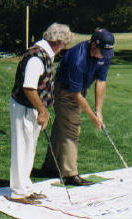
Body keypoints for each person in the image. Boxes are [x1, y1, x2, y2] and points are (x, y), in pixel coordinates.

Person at [9, 23, 73, 204]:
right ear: (58, 41)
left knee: (30, 147)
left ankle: (26, 187)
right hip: (24, 107)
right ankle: (18, 192)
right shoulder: (37, 57)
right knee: (22, 147)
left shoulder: (44, 53)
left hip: (31, 107)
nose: (65, 47)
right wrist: (42, 110)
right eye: (64, 43)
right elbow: (29, 88)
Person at [41, 28, 115, 186]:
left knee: (62, 125)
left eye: (105, 53)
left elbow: (101, 81)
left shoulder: (105, 54)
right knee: (72, 128)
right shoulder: (77, 58)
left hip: (80, 88)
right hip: (65, 90)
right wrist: (93, 117)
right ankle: (69, 174)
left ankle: (50, 166)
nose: (102, 56)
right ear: (93, 44)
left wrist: (99, 111)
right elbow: (75, 95)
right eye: (100, 51)